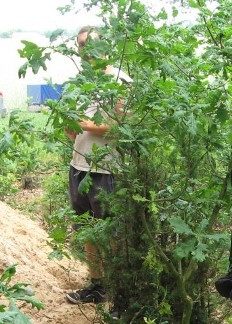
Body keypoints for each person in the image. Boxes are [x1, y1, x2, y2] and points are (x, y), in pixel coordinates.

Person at [64, 27, 131, 305]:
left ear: (105, 47)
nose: (83, 51)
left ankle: (120, 296)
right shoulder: (81, 84)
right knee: (88, 229)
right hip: (79, 165)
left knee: (112, 234)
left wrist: (82, 125)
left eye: (88, 45)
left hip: (107, 170)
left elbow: (121, 127)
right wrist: (70, 129)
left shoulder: (120, 81)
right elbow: (75, 126)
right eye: (79, 45)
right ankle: (97, 287)